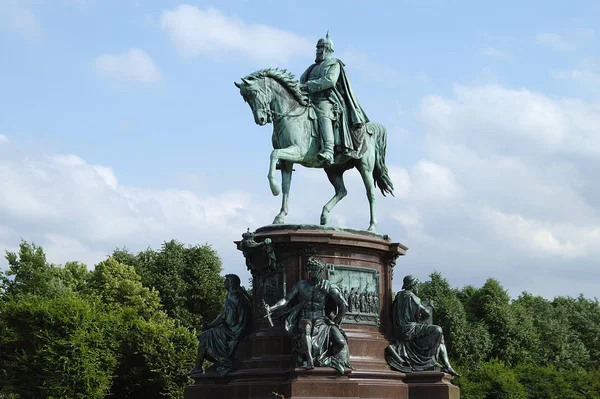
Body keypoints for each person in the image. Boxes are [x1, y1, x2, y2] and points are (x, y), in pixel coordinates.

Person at [265, 257, 352, 374]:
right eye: (310, 270)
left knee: (340, 342)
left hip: (322, 320)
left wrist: (335, 321)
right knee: (306, 329)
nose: (312, 273)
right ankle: (310, 359)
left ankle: (323, 358)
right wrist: (272, 308)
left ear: (320, 271)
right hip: (305, 317)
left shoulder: (328, 286)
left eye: (315, 270)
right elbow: (286, 299)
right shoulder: (300, 285)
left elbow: (343, 305)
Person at [299, 32, 369, 165]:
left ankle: (329, 150)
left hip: (327, 100)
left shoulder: (334, 64)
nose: (317, 51)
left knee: (323, 114)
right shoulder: (311, 68)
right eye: (317, 48)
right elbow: (302, 81)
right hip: (309, 99)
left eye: (320, 48)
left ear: (326, 50)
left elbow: (330, 80)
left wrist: (310, 85)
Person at [385, 275, 459, 376]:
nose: (417, 288)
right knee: (438, 330)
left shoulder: (399, 297)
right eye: (416, 285)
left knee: (440, 337)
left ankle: (447, 365)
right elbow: (427, 314)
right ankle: (433, 362)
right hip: (409, 329)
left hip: (399, 330)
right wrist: (428, 308)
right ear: (413, 285)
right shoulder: (411, 296)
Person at [189, 274, 252, 376]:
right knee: (209, 333)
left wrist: (210, 326)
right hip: (241, 328)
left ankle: (202, 366)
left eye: (226, 281)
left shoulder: (232, 296)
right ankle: (207, 365)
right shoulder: (240, 295)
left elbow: (227, 318)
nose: (224, 283)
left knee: (205, 336)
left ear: (231, 283)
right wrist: (211, 325)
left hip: (234, 330)